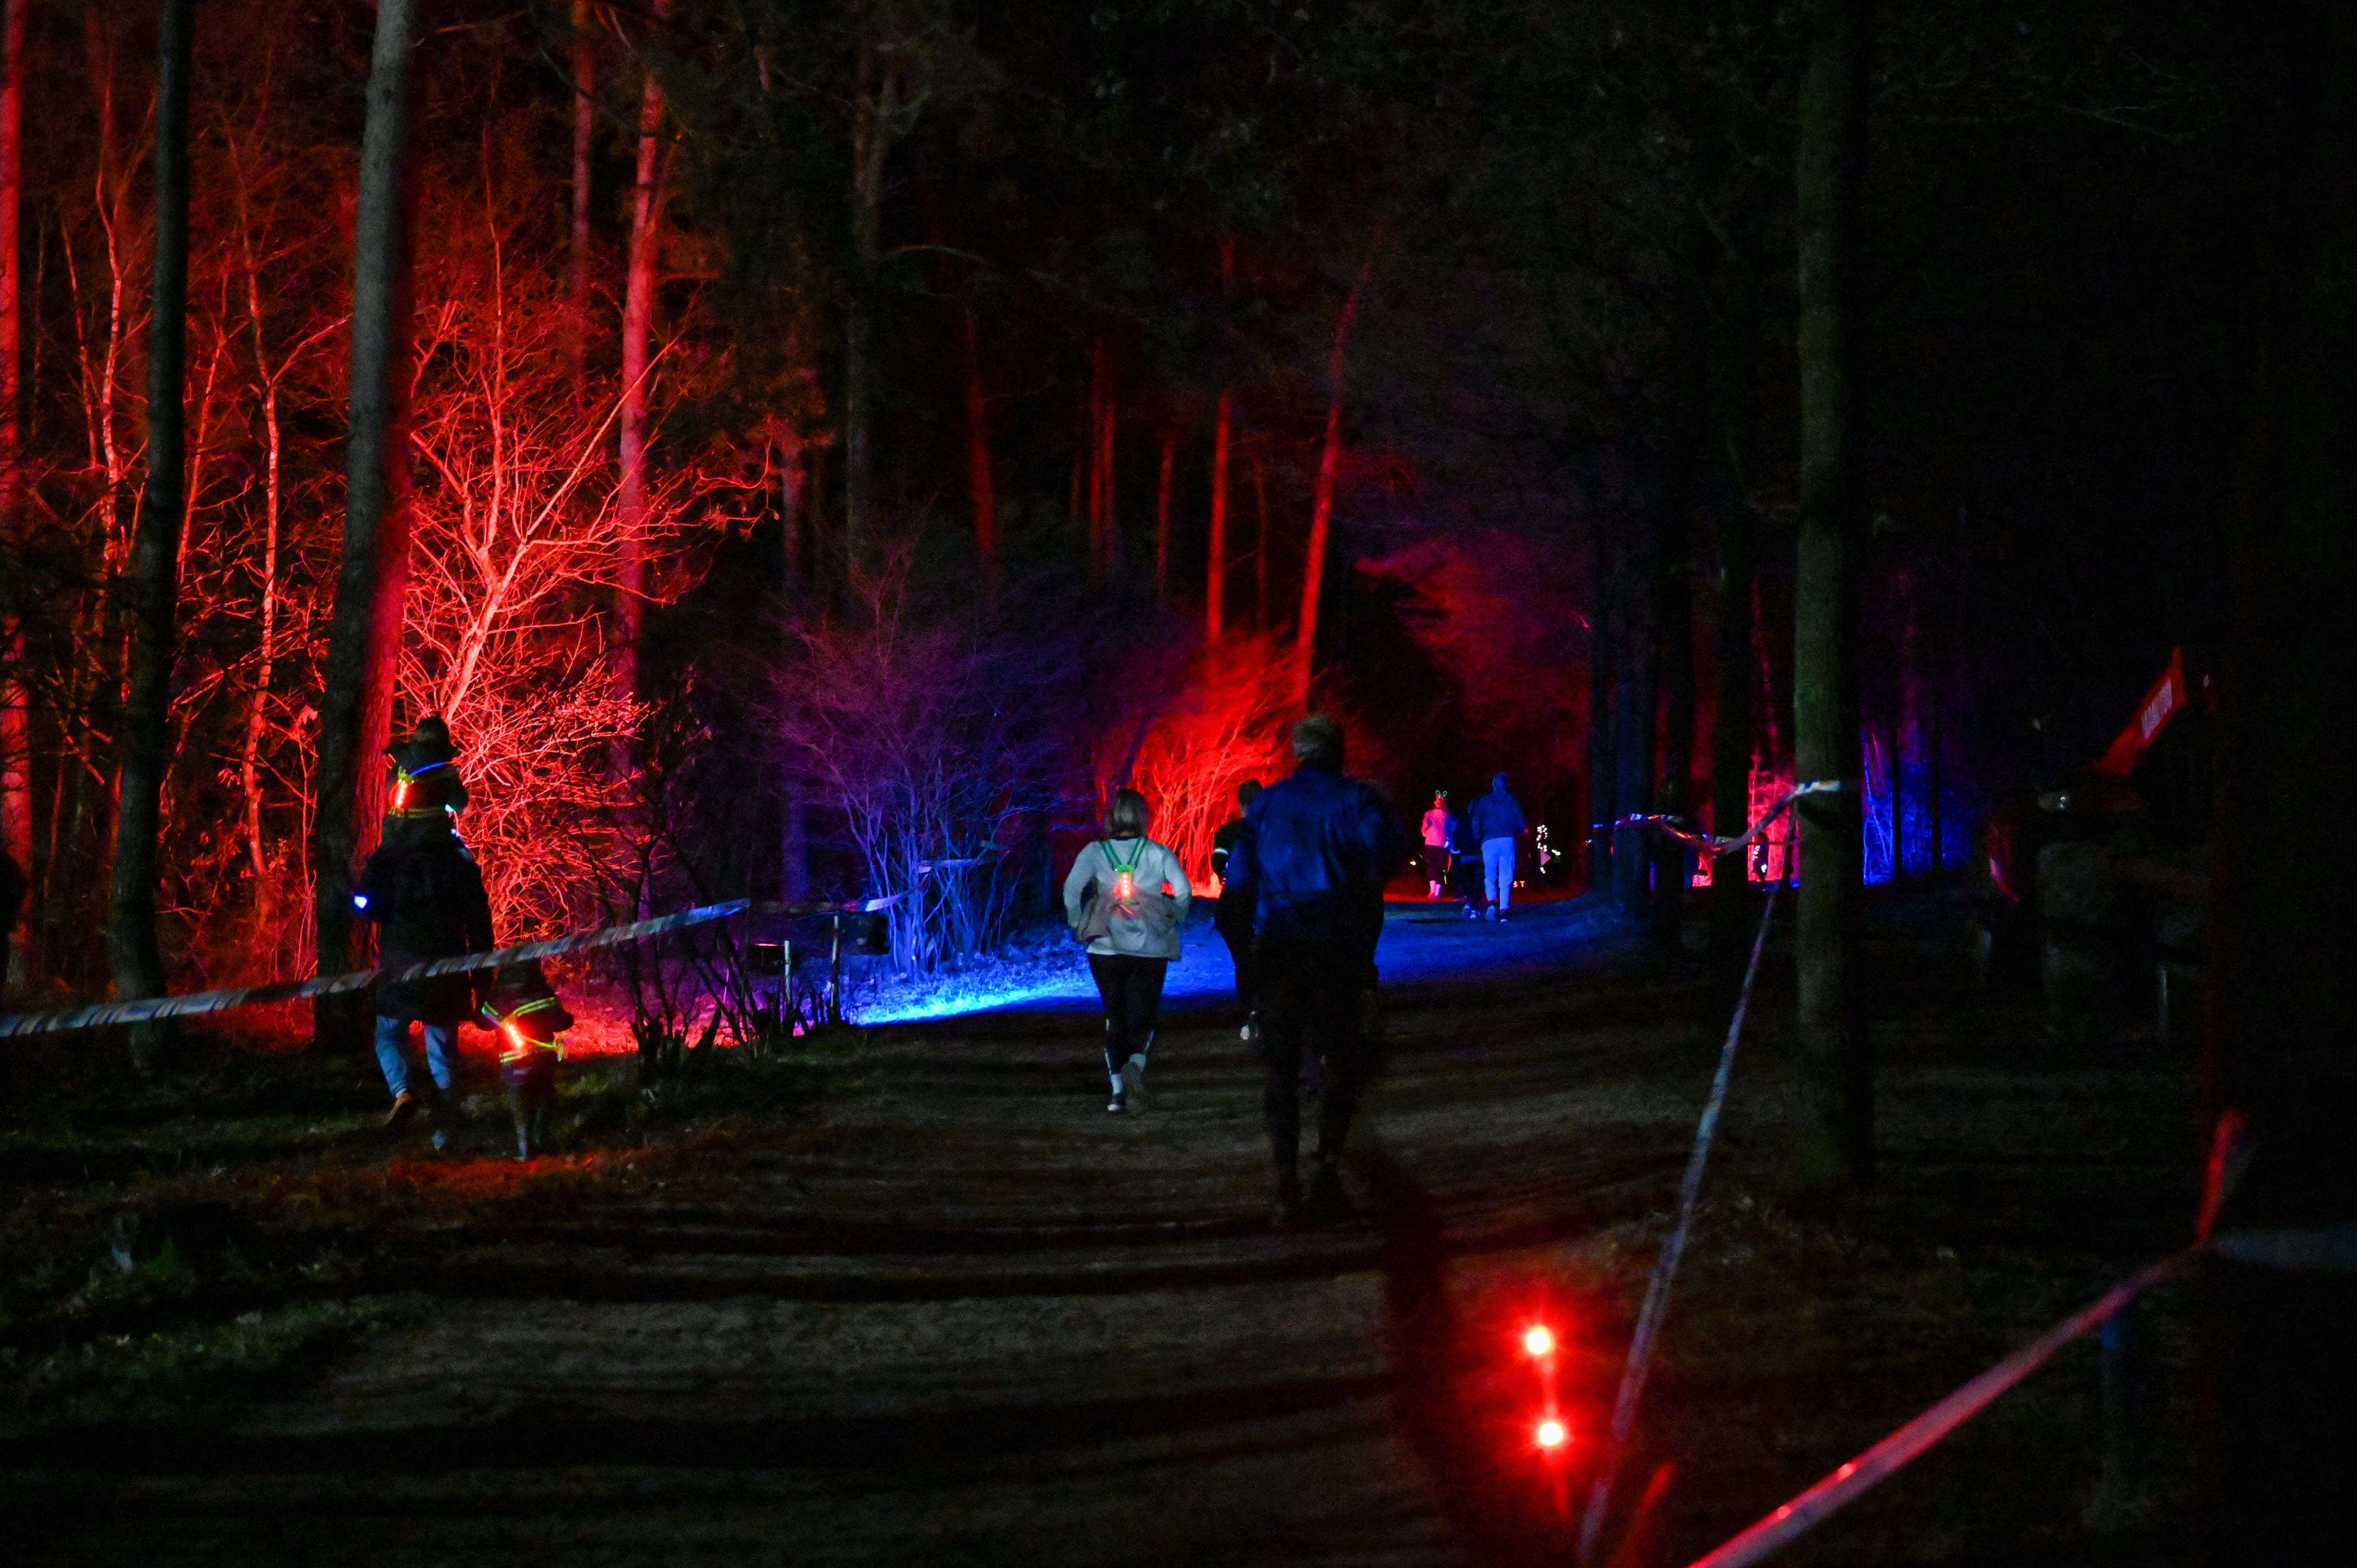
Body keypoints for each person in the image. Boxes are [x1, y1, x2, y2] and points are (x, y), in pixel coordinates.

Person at [1224, 713, 1403, 1227]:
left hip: (1280, 945)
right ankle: (1326, 1170)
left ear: (1298, 753)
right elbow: (1386, 855)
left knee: (1280, 1066)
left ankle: (1286, 1183)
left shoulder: (1267, 805)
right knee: (1340, 1058)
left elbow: (1240, 879)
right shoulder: (1357, 800)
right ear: (1339, 752)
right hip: (1336, 947)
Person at [353, 814, 497, 1147]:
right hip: (447, 968)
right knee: (443, 1049)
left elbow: (369, 906)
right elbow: (479, 921)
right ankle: (446, 1130)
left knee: (389, 1036)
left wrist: (359, 895)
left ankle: (403, 1093)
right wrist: (482, 982)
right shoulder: (458, 856)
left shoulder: (392, 854)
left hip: (400, 965)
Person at [1063, 787, 1193, 1114]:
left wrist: (1078, 921)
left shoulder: (1095, 852)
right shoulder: (1158, 853)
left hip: (1105, 948)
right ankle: (1136, 1064)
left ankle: (1117, 1091)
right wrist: (1174, 916)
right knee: (1145, 1015)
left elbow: (1071, 888)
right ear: (1143, 818)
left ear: (1111, 818)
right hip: (1151, 948)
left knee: (1116, 1016)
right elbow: (1184, 890)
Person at [481, 958, 572, 1160]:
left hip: (513, 1061)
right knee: (544, 1097)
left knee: (520, 1105)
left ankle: (525, 1149)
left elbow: (485, 1023)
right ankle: (542, 1139)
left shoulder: (499, 997)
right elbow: (560, 1022)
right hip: (543, 1059)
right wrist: (568, 1020)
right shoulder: (543, 992)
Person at [1210, 780, 1263, 1040]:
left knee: (1243, 960)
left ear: (1239, 804)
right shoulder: (1275, 830)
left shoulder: (1228, 833)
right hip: (1267, 904)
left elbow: (1218, 863)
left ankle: (1249, 1012)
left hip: (1234, 906)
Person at [385, 714, 470, 825]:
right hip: (434, 829)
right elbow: (458, 803)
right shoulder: (445, 769)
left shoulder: (404, 759)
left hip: (401, 827)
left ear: (421, 734)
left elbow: (390, 789)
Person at [1468, 771, 1527, 921]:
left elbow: (1476, 820)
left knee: (1490, 874)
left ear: (1493, 785)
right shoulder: (1511, 799)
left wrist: (1477, 837)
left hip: (1489, 840)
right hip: (1508, 839)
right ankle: (1504, 909)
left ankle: (1491, 904)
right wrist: (1522, 829)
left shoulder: (1485, 800)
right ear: (1506, 785)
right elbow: (1519, 818)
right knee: (1506, 873)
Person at [1420, 791, 1451, 899]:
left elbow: (1425, 829)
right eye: (1439, 799)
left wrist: (1426, 830)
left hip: (1436, 844)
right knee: (1437, 868)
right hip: (1438, 844)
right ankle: (1435, 892)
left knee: (1434, 867)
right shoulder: (1446, 816)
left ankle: (1435, 892)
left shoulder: (1431, 814)